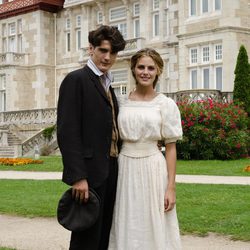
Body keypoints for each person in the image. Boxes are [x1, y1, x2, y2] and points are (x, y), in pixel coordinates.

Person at [56, 25, 126, 250]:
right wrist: (78, 177)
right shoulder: (76, 80)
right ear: (91, 49)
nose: (107, 57)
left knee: (104, 235)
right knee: (86, 239)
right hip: (89, 173)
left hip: (110, 169)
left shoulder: (107, 84)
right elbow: (67, 132)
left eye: (113, 53)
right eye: (103, 50)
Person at [108, 48, 183, 250]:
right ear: (133, 69)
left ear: (158, 71)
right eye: (141, 67)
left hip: (153, 169)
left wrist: (170, 187)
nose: (145, 72)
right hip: (124, 168)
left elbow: (171, 147)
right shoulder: (121, 102)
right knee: (127, 219)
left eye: (151, 68)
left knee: (153, 221)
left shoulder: (165, 104)